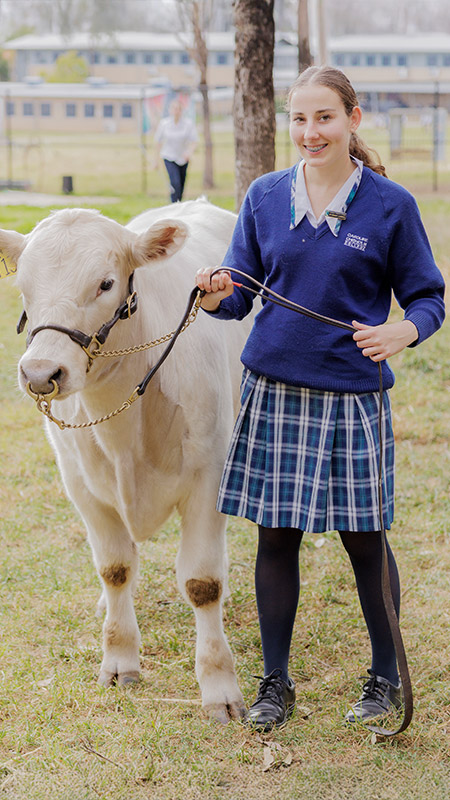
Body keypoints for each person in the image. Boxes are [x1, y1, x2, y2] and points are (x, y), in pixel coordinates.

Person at [195, 66, 445, 732]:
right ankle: (274, 684)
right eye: (300, 120)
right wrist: (218, 295)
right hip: (273, 388)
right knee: (275, 540)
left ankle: (385, 677)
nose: (311, 132)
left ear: (352, 120)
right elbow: (242, 292)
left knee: (365, 542)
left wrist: (403, 329)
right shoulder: (263, 195)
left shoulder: (391, 206)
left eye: (325, 118)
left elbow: (429, 297)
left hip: (352, 397)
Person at [153, 97, 197, 203]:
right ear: (170, 110)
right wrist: (155, 160)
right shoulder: (164, 124)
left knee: (181, 185)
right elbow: (158, 142)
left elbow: (194, 141)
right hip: (169, 156)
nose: (176, 111)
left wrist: (189, 153)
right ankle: (174, 205)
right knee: (175, 183)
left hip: (183, 158)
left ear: (182, 111)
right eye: (174, 108)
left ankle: (179, 204)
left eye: (179, 109)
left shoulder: (188, 124)